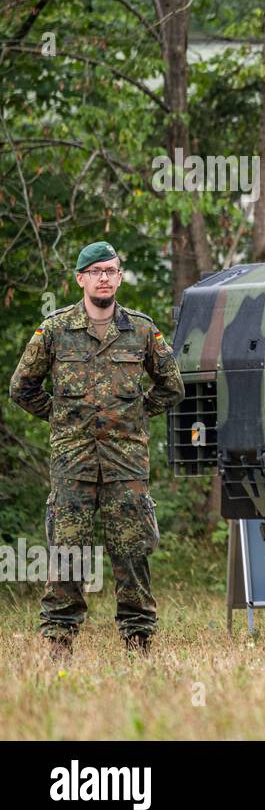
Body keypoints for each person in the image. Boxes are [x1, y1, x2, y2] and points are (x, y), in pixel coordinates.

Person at [8, 241, 184, 655]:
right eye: (96, 271)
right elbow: (21, 387)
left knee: (133, 552)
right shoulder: (54, 330)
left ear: (120, 277)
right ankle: (59, 641)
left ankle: (138, 639)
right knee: (68, 550)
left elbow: (172, 385)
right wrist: (58, 418)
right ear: (81, 279)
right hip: (73, 463)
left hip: (127, 464)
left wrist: (138, 413)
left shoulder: (140, 330)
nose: (104, 278)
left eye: (111, 270)